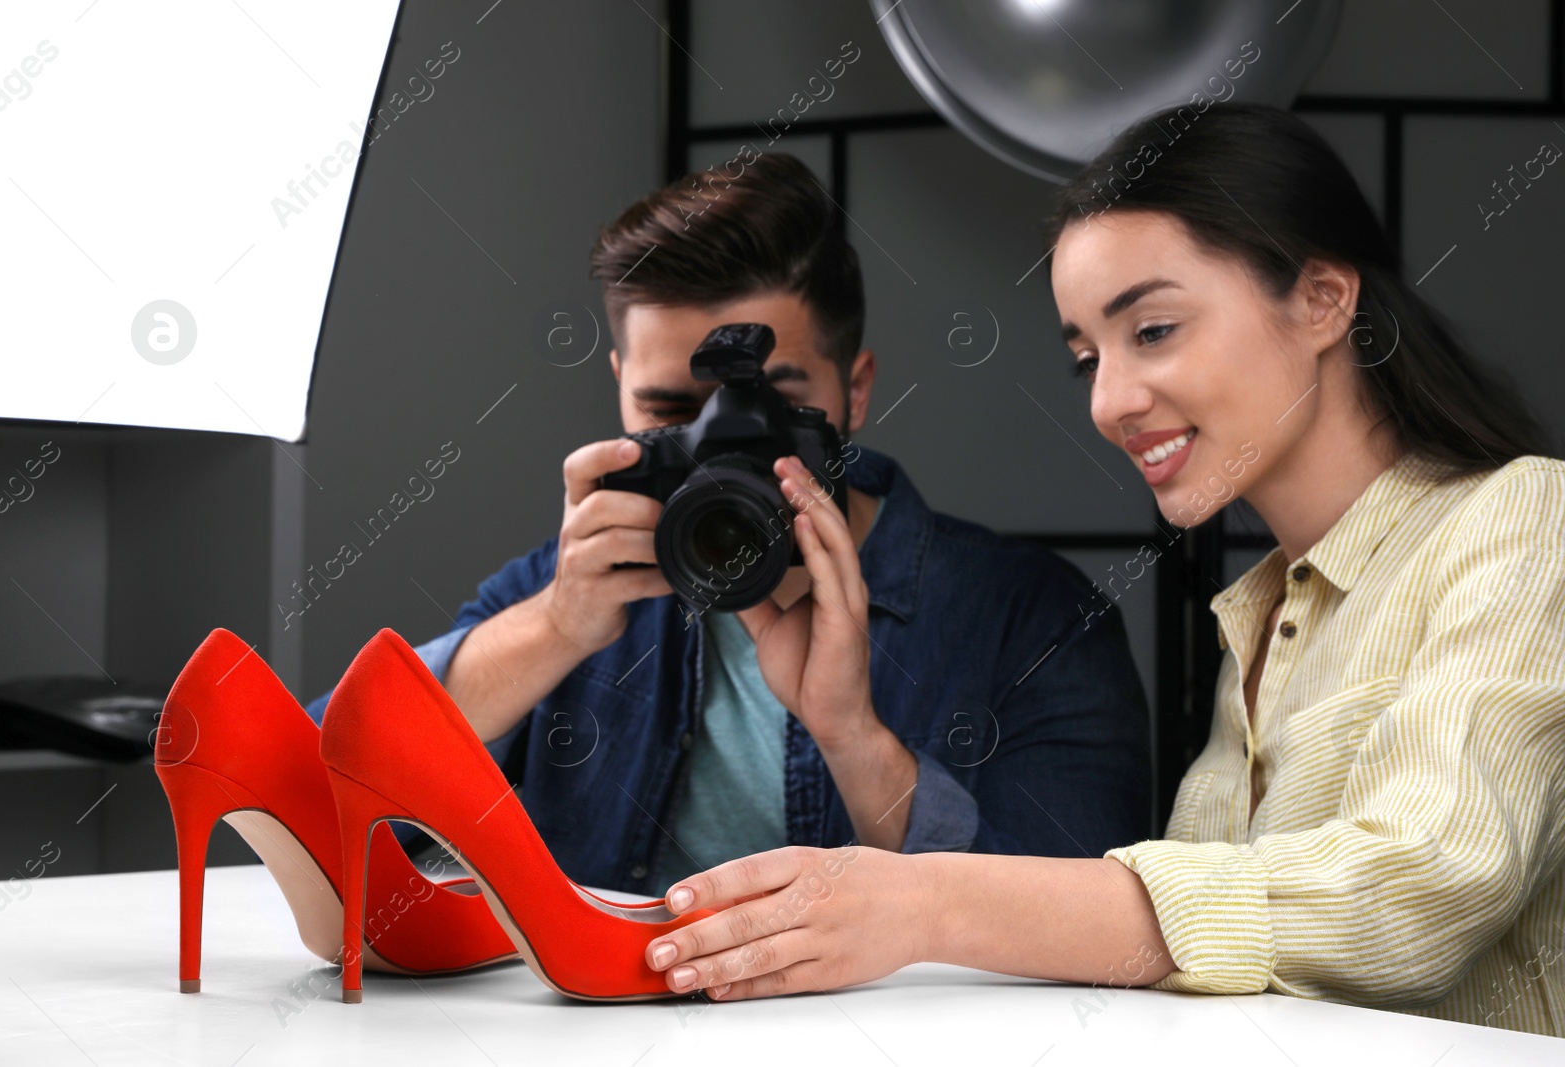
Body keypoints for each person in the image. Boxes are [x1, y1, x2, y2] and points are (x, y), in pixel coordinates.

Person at [640, 104, 1565, 1039]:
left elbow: (1420, 890)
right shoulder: (1262, 611)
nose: (1112, 401)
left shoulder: (1527, 517)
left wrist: (925, 901)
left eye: (1153, 329)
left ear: (1323, 298)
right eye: (1087, 358)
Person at [305, 153, 1151, 898]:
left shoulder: (1031, 622)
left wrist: (854, 739)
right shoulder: (556, 594)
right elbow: (306, 791)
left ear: (854, 392)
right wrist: (554, 631)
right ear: (619, 389)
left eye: (771, 408)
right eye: (673, 410)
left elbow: (1077, 936)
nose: (726, 445)